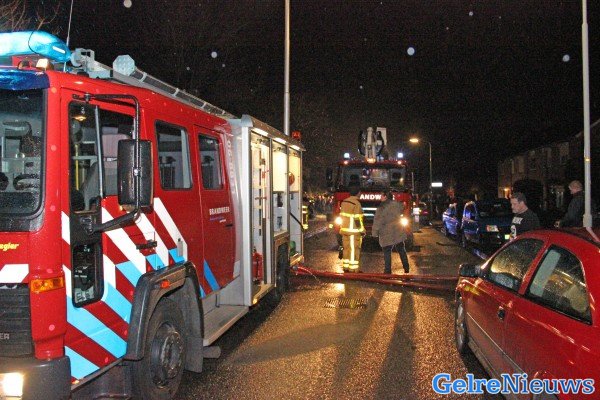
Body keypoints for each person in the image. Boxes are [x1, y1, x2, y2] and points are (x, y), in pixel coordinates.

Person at [372, 191, 410, 274]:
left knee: (387, 252)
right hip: (398, 231)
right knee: (401, 249)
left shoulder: (381, 208)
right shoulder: (397, 204)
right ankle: (406, 267)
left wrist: (374, 233)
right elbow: (403, 207)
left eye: (381, 196)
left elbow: (377, 222)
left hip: (386, 233)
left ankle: (387, 271)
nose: (380, 197)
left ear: (385, 197)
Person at [339, 183, 365, 272]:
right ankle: (353, 270)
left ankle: (346, 267)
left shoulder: (344, 202)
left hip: (344, 230)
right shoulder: (356, 204)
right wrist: (362, 230)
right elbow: (357, 219)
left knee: (346, 249)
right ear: (358, 193)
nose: (360, 194)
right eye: (360, 192)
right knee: (354, 250)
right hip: (353, 232)